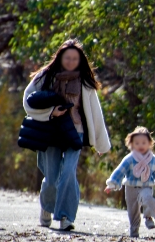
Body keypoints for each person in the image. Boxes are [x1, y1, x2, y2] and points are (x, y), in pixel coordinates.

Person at [22, 39, 111, 230]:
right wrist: (50, 112)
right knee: (52, 177)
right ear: (60, 57)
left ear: (80, 60)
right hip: (50, 131)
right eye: (67, 57)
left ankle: (66, 217)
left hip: (75, 132)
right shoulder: (45, 76)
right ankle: (47, 207)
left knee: (69, 173)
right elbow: (27, 102)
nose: (70, 61)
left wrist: (101, 144)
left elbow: (96, 113)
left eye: (74, 58)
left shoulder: (85, 81)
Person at [105, 127, 155, 237]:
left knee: (148, 199)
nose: (140, 145)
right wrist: (112, 184)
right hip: (131, 187)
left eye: (144, 143)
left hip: (146, 186)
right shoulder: (129, 159)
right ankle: (134, 231)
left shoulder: (153, 160)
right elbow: (120, 171)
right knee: (133, 211)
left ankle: (148, 217)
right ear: (131, 144)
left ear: (149, 143)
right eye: (137, 143)